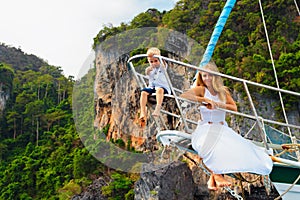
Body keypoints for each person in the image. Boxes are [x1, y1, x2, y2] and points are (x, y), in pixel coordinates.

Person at [180, 62, 273, 190]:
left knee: (243, 149)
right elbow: (184, 95)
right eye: (204, 76)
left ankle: (212, 180)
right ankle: (217, 175)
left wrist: (218, 105)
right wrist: (204, 100)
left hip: (222, 128)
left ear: (215, 77)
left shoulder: (223, 92)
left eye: (210, 76)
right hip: (206, 127)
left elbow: (233, 107)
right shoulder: (201, 90)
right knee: (212, 145)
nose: (207, 79)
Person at [139, 47, 171, 127]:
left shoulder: (162, 67)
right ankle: (143, 111)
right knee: (143, 92)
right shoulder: (150, 69)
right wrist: (149, 69)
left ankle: (158, 108)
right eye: (151, 62)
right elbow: (147, 72)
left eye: (156, 61)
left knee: (159, 90)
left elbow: (163, 64)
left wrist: (159, 58)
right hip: (152, 87)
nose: (154, 63)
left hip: (163, 88)